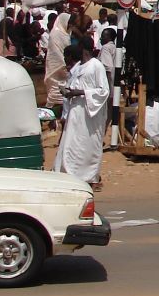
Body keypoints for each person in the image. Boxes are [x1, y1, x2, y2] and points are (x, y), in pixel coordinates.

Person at [54, 35, 110, 189]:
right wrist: (69, 92)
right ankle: (69, 174)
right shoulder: (79, 67)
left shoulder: (96, 65)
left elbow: (103, 91)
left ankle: (89, 177)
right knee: (72, 142)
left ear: (83, 48)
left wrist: (79, 93)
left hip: (90, 113)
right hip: (75, 112)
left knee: (88, 145)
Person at [43, 12, 73, 119]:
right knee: (54, 95)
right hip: (56, 68)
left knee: (63, 96)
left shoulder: (67, 34)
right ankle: (49, 118)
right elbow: (55, 53)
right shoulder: (55, 34)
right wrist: (65, 65)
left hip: (66, 69)